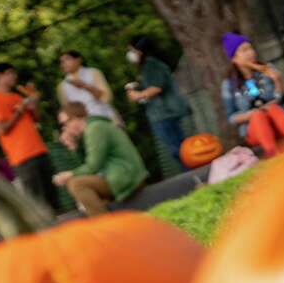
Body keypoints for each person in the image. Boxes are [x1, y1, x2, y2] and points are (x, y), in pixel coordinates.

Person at [52, 102, 149, 216]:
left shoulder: (95, 128)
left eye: (65, 123)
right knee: (82, 190)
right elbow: (88, 167)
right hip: (120, 176)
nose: (65, 128)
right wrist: (74, 147)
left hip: (125, 177)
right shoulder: (92, 128)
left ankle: (107, 227)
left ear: (76, 118)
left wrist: (69, 174)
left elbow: (93, 166)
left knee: (76, 184)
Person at [0, 63, 59, 211]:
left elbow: (36, 118)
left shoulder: (17, 96)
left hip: (39, 150)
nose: (14, 76)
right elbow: (1, 129)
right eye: (10, 73)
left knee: (53, 198)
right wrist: (18, 112)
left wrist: (34, 103)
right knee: (39, 204)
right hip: (22, 158)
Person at [221, 33, 284, 158]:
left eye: (250, 48)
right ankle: (273, 153)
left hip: (278, 122)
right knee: (258, 116)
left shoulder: (266, 70)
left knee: (273, 109)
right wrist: (251, 114)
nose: (250, 53)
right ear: (234, 59)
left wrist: (278, 80)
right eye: (244, 50)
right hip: (255, 130)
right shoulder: (229, 85)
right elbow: (231, 117)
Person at [125, 36, 193, 169]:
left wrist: (137, 95)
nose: (130, 54)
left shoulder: (151, 64)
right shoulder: (147, 66)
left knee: (179, 149)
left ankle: (193, 174)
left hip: (166, 113)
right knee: (179, 148)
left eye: (131, 50)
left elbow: (156, 87)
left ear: (139, 50)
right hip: (163, 113)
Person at [57, 50, 121, 124]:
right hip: (85, 125)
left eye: (67, 59)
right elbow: (68, 111)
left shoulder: (94, 73)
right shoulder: (62, 86)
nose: (64, 63)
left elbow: (107, 98)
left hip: (105, 116)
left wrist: (85, 86)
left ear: (78, 60)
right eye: (62, 61)